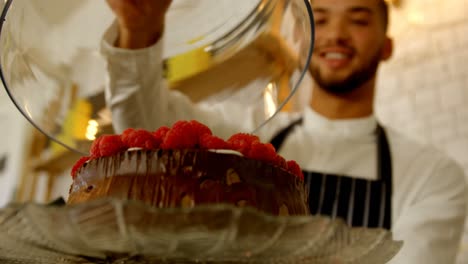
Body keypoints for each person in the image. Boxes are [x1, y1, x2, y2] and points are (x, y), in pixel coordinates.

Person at [101, 0, 467, 263]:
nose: (336, 34)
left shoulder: (433, 175)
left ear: (387, 47)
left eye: (358, 20)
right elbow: (148, 130)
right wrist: (139, 30)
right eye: (320, 19)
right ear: (302, 38)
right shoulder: (249, 136)